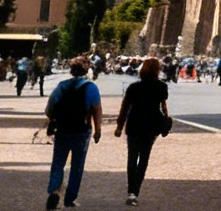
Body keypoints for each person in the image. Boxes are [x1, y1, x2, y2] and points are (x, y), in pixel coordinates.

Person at [43, 56, 104, 210]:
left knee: (58, 162)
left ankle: (54, 191)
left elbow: (50, 109)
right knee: (77, 164)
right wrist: (98, 130)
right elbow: (96, 109)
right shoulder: (91, 87)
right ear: (86, 70)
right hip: (81, 130)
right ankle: (70, 198)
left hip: (63, 129)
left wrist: (53, 121)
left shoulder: (61, 86)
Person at [114, 56, 173, 207]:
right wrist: (166, 121)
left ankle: (130, 191)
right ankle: (135, 192)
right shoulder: (161, 87)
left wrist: (119, 126)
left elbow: (125, 107)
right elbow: (163, 106)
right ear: (157, 70)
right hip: (151, 126)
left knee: (132, 158)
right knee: (144, 159)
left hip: (134, 125)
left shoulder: (133, 88)